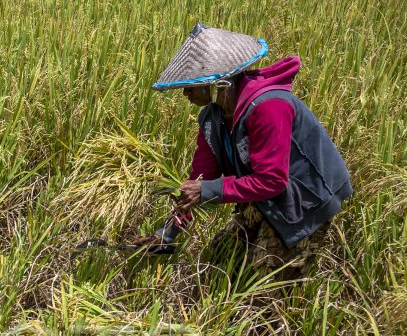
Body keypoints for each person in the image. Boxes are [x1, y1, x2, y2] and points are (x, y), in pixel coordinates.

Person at [135, 24, 353, 279]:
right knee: (218, 263)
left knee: (263, 286)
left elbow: (272, 180)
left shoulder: (269, 106)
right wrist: (167, 233)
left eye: (192, 85)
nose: (185, 93)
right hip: (263, 195)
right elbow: (199, 183)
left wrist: (206, 191)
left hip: (303, 200)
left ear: (218, 83)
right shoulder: (211, 118)